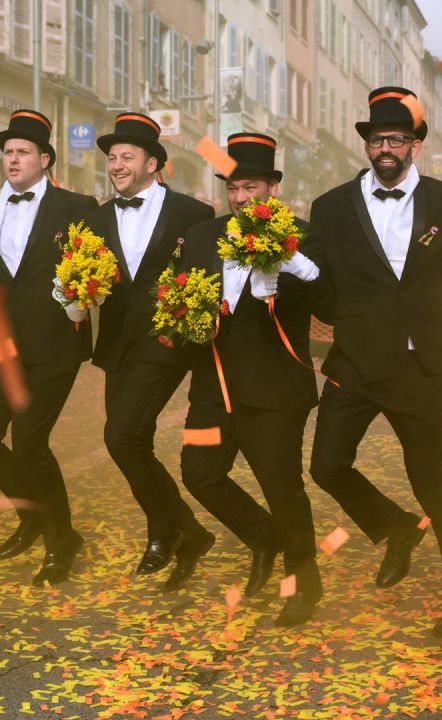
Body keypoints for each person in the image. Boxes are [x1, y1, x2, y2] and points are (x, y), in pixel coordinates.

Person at [308, 87, 442, 637]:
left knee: (431, 481)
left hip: (419, 366)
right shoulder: (331, 206)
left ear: (415, 146)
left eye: (398, 139)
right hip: (355, 362)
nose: (387, 147)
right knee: (326, 465)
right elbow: (318, 282)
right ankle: (396, 527)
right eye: (378, 139)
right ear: (367, 145)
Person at [0, 110, 97, 586]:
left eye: (22, 152)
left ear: (44, 160)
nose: (12, 159)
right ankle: (31, 512)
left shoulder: (78, 207)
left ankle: (60, 538)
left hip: (53, 347)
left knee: (31, 447)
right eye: (7, 152)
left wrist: (85, 299)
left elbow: (97, 267)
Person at [177, 133, 324, 623]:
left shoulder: (301, 235)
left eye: (250, 187)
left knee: (282, 487)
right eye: (233, 188)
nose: (240, 198)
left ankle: (305, 583)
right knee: (199, 474)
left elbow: (327, 300)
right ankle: (263, 537)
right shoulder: (201, 236)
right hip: (212, 388)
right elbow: (181, 297)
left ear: (273, 188)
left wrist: (293, 267)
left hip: (276, 392)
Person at [80, 112, 215, 582]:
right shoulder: (95, 218)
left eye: (126, 156)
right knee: (129, 442)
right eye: (112, 158)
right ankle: (184, 531)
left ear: (153, 163)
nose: (116, 165)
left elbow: (205, 279)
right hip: (117, 343)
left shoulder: (193, 215)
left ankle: (167, 531)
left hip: (166, 342)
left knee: (120, 436)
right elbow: (81, 279)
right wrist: (74, 296)